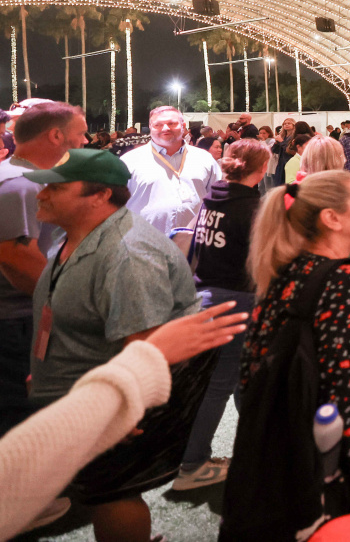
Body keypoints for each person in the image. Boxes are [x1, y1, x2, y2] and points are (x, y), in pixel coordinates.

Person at [26, 149, 200, 542]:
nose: (41, 194)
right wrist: (46, 369)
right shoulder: (77, 235)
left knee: (112, 492)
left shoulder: (128, 253)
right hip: (80, 390)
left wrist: (122, 410)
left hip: (110, 402)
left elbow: (144, 343)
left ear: (100, 195)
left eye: (56, 187)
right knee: (98, 489)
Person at [0, 303, 247, 541]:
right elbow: (15, 468)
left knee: (112, 489)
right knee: (117, 490)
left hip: (81, 393)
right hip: (94, 395)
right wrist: (141, 370)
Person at [236, 170, 350, 518]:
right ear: (332, 218)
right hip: (333, 477)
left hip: (287, 464)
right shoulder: (341, 282)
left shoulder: (287, 273)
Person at [175, 138, 270, 491]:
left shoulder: (212, 198)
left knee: (239, 378)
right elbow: (264, 260)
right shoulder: (253, 208)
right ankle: (192, 463)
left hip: (207, 294)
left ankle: (259, 445)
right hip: (236, 299)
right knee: (218, 384)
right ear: (263, 168)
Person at [0, 102, 87, 443]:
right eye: (80, 134)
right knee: (19, 419)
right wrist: (70, 302)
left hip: (20, 317)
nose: (84, 141)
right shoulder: (20, 184)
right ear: (55, 136)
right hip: (15, 320)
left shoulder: (23, 177)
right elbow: (15, 256)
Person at [121, 106, 223, 237]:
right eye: (158, 125)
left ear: (183, 126)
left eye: (172, 123)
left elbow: (218, 198)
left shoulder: (204, 158)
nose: (165, 128)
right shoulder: (130, 161)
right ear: (150, 127)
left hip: (194, 241)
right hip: (145, 242)